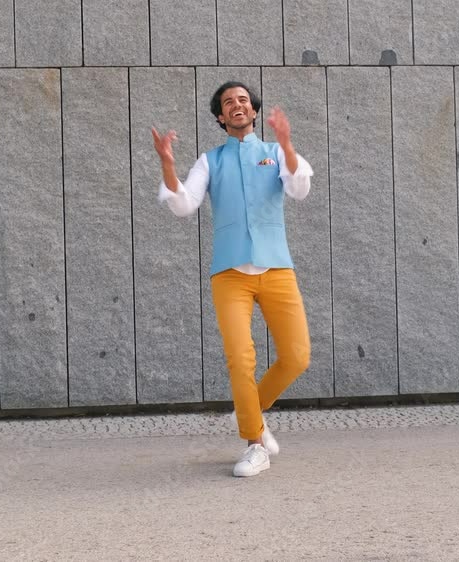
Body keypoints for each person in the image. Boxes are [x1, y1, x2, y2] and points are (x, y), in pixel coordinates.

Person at [152, 81, 313, 477]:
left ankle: (249, 411)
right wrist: (168, 164)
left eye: (243, 100)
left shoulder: (275, 152)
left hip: (276, 268)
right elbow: (184, 205)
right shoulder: (211, 161)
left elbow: (299, 189)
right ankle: (254, 443)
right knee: (240, 359)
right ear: (220, 117)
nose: (236, 105)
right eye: (228, 103)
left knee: (297, 356)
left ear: (253, 111)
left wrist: (286, 143)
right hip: (230, 275)